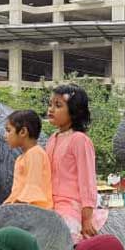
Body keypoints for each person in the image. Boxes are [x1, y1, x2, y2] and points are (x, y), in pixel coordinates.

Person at [47, 84, 106, 241]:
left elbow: (87, 181)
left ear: (74, 111)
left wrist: (86, 217)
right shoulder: (52, 138)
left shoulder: (80, 140)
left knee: (65, 238)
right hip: (48, 203)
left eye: (58, 105)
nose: (51, 109)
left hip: (70, 206)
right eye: (50, 104)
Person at [3, 109, 54, 209]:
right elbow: (17, 190)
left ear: (23, 132)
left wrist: (16, 204)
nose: (5, 135)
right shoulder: (21, 158)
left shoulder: (35, 153)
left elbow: (33, 185)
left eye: (8, 130)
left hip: (35, 209)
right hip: (22, 206)